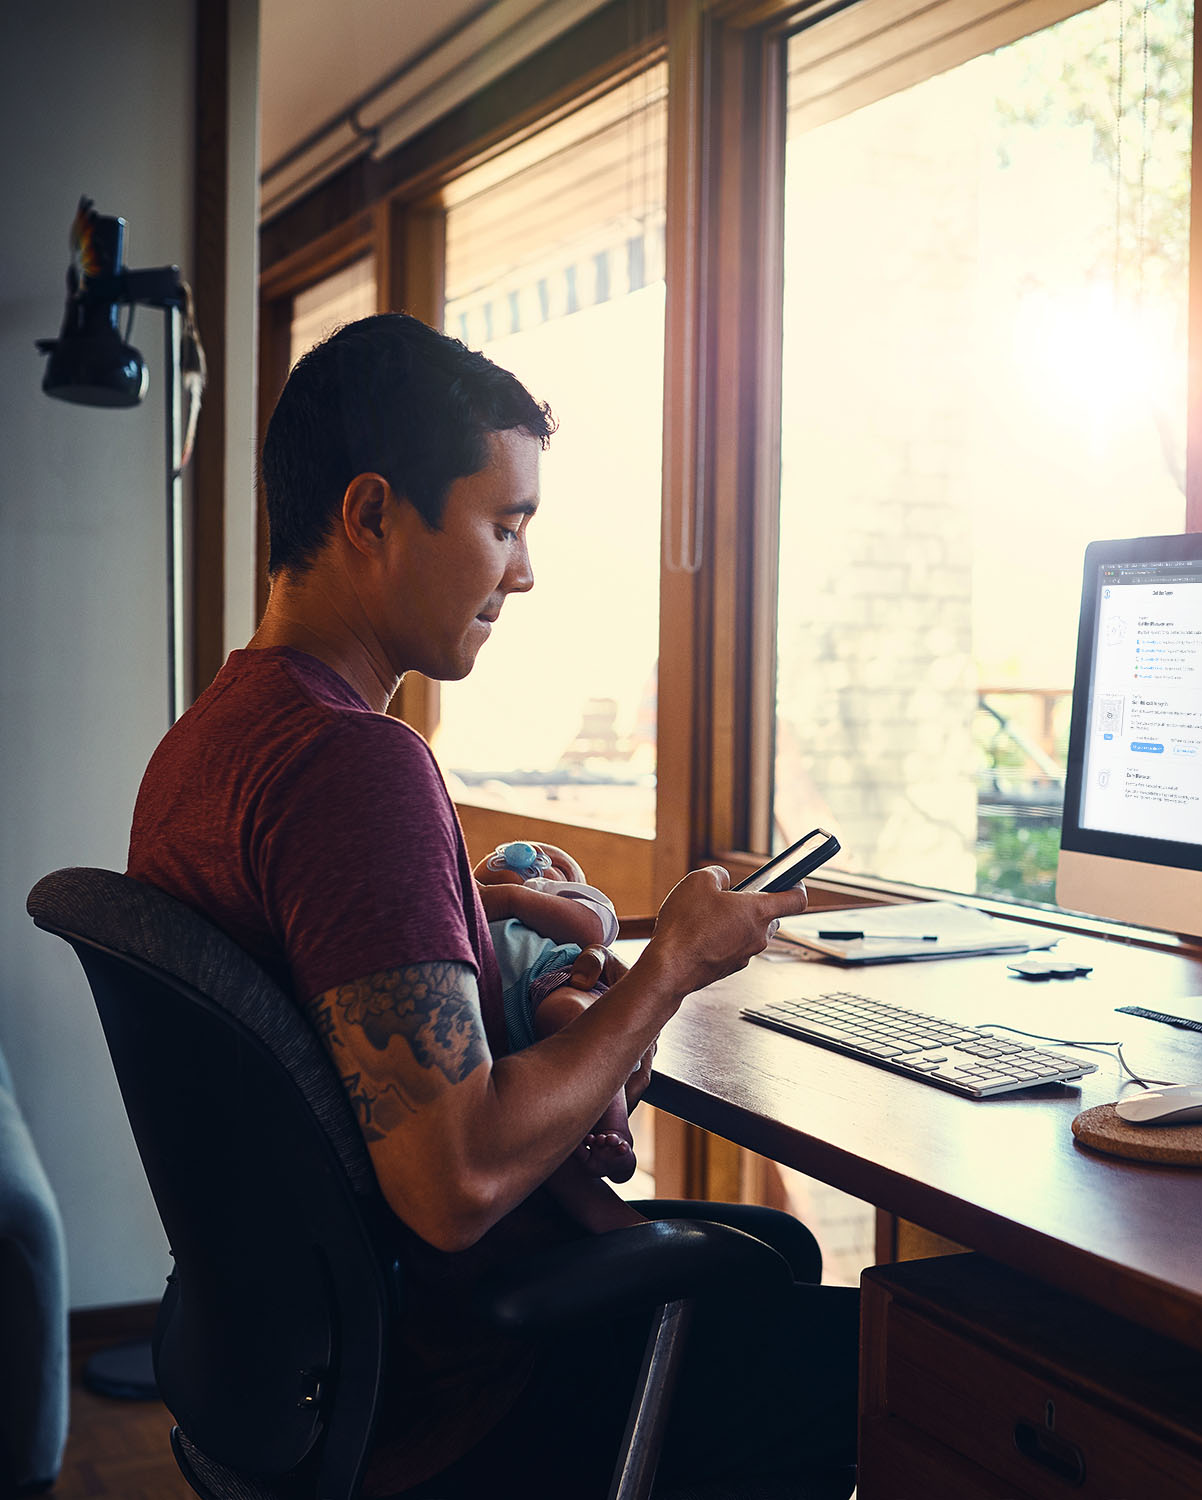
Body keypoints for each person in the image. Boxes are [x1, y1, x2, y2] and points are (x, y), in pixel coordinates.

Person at [127, 312, 855, 1498]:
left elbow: (288, 977)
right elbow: (452, 1183)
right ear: (370, 515)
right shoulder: (356, 762)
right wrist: (669, 962)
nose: (522, 569)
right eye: (503, 523)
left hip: (297, 1373)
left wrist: (449, 904)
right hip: (460, 1395)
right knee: (901, 1373)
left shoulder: (211, 741)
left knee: (768, 1248)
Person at [472, 837, 644, 1229]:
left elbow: (590, 930)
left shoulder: (558, 899)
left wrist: (516, 897)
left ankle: (616, 1133)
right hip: (499, 1015)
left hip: (555, 979)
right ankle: (590, 1174)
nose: (525, 856)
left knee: (575, 1018)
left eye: (552, 861)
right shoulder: (474, 902)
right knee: (537, 1121)